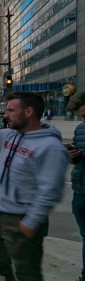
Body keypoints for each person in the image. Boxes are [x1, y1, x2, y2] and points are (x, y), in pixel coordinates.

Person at [0, 91, 69, 280]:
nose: (5, 115)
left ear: (29, 112)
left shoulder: (50, 147)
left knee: (27, 274)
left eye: (10, 110)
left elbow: (50, 191)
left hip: (23, 220)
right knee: (2, 266)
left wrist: (31, 222)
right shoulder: (10, 136)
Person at [65, 91, 85, 281]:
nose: (83, 120)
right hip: (80, 190)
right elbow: (79, 159)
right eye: (80, 117)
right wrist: (73, 154)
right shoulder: (80, 129)